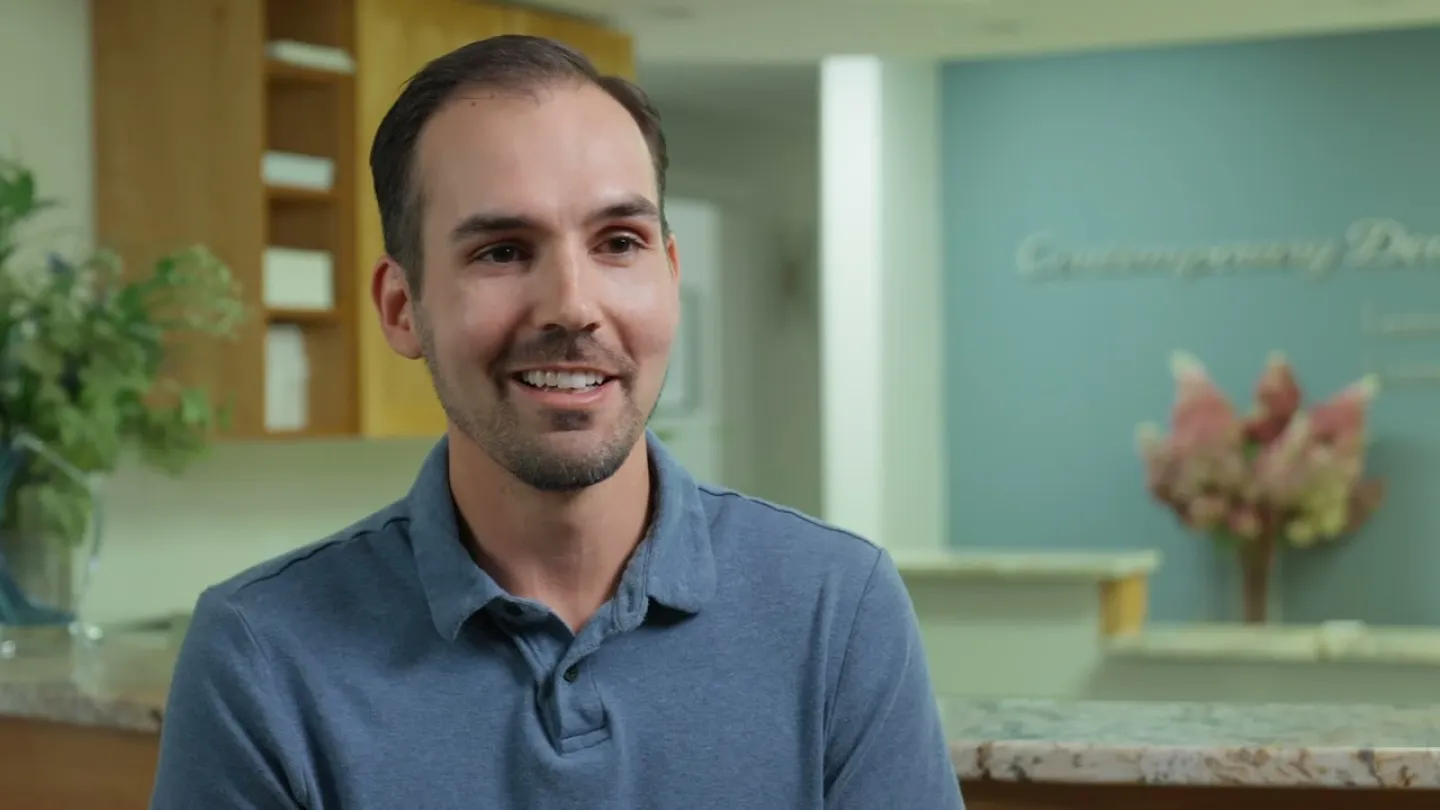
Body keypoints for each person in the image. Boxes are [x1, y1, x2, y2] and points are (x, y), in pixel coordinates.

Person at [149, 35, 964, 810]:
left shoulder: (837, 608)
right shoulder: (260, 652)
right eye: (502, 250)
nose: (574, 305)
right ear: (402, 308)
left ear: (670, 279)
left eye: (619, 241)